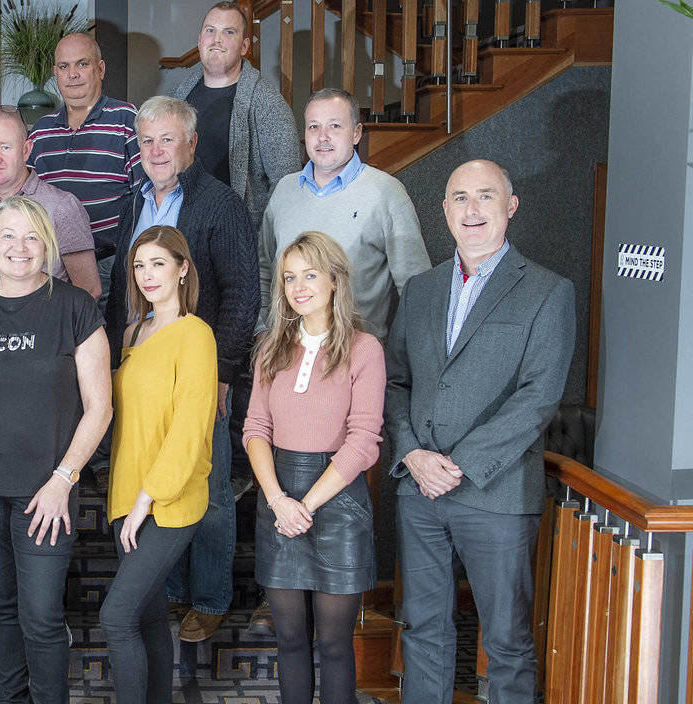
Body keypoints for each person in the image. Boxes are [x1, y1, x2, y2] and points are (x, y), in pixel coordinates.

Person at [386, 159, 574, 703]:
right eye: (460, 198)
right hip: (420, 489)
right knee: (422, 632)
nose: (472, 209)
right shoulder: (420, 289)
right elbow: (395, 382)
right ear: (444, 209)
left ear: (510, 207)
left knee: (508, 643)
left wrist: (460, 464)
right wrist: (412, 454)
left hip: (497, 494)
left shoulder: (547, 291)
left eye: (485, 196)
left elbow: (538, 397)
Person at [0, 196, 112, 704]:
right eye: (8, 235)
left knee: (42, 614)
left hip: (47, 491)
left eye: (32, 236)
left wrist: (63, 480)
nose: (20, 247)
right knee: (2, 605)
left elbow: (100, 407)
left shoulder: (75, 307)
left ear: (49, 246)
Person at [107, 95, 259, 642]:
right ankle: (167, 590)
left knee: (209, 489)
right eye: (147, 140)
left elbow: (243, 294)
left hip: (200, 368)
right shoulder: (133, 201)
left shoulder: (221, 203)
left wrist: (222, 374)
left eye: (167, 139)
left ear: (191, 143)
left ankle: (211, 598)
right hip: (142, 360)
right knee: (153, 475)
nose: (156, 150)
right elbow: (121, 289)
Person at [242, 231, 385, 704]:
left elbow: (363, 442)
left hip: (339, 505)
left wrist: (305, 504)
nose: (298, 287)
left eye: (310, 275)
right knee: (289, 640)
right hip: (278, 500)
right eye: (289, 278)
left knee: (335, 645)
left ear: (334, 280)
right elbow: (255, 428)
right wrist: (278, 501)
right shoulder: (271, 347)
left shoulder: (365, 348)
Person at [102, 225, 217, 703]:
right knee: (147, 617)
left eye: (158, 264)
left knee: (116, 617)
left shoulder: (196, 335)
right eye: (139, 265)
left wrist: (145, 499)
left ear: (182, 268)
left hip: (167, 501)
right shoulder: (134, 331)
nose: (147, 275)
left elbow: (189, 429)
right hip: (125, 495)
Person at [259, 88, 429, 339]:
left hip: (355, 354)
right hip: (285, 352)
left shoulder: (386, 192)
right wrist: (262, 332)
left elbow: (417, 290)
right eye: (313, 127)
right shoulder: (285, 190)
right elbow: (264, 270)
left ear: (356, 133)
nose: (323, 137)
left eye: (335, 126)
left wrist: (405, 356)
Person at [27, 32, 143, 304]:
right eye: (64, 66)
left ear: (100, 69)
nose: (72, 74)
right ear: (56, 73)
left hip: (109, 266)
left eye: (82, 64)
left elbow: (145, 196)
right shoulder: (41, 131)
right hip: (52, 268)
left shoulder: (126, 120)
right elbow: (24, 200)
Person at [171, 1, 299, 226]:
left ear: (244, 46)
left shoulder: (268, 103)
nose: (217, 39)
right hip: (182, 226)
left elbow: (286, 184)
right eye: (210, 30)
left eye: (228, 32)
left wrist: (260, 237)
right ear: (200, 40)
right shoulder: (178, 97)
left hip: (236, 230)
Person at [0, 108, 99, 296]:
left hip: (47, 315)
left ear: (26, 150)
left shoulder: (61, 207)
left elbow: (89, 290)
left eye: (5, 147)